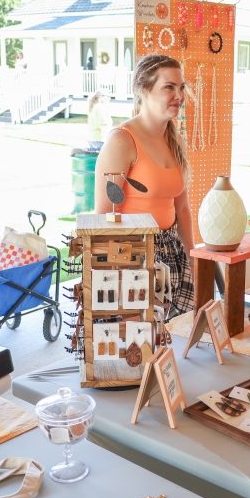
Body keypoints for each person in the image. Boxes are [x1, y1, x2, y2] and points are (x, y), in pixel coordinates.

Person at [95, 55, 194, 317]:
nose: (179, 95)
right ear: (143, 90)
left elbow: (182, 210)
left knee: (171, 342)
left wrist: (192, 258)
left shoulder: (176, 142)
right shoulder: (121, 141)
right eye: (169, 87)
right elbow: (104, 215)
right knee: (138, 347)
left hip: (172, 254)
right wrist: (108, 279)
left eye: (182, 87)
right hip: (131, 256)